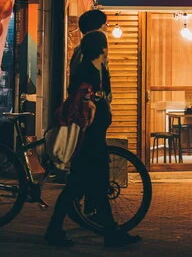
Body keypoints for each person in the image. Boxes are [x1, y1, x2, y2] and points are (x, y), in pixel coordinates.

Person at [45, 27, 139, 248]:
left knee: (88, 186)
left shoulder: (99, 70)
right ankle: (105, 233)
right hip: (88, 138)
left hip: (95, 137)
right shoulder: (86, 71)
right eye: (106, 45)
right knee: (83, 186)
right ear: (102, 49)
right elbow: (82, 100)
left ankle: (108, 233)